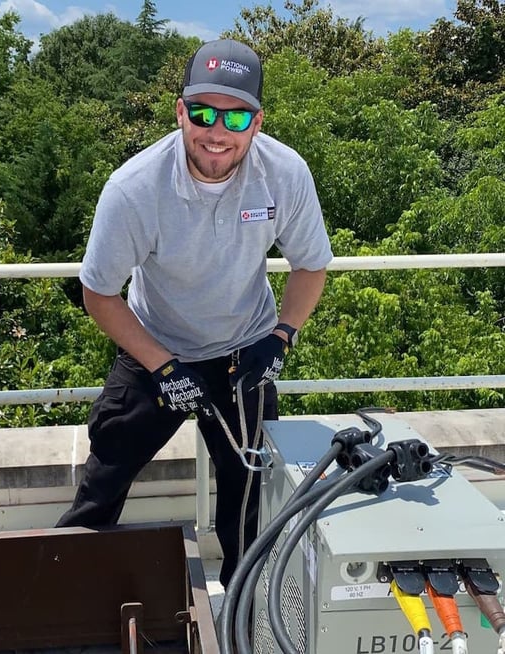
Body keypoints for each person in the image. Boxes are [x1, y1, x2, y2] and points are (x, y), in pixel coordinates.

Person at [56, 38, 333, 588]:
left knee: (249, 502)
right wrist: (162, 366)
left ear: (257, 122)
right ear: (180, 111)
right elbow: (99, 293)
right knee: (104, 482)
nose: (217, 132)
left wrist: (280, 337)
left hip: (244, 355)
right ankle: (59, 601)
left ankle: (241, 609)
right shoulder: (134, 189)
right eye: (203, 113)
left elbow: (310, 266)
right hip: (154, 348)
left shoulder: (285, 174)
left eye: (236, 116)